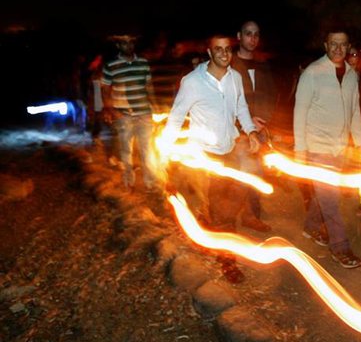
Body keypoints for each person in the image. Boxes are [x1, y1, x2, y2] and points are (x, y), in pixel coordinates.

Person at [162, 34, 260, 284]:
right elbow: (176, 116)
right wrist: (165, 150)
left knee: (233, 200)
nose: (225, 54)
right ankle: (228, 262)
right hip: (206, 155)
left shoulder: (235, 78)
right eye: (219, 49)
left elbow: (241, 108)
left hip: (230, 150)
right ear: (209, 52)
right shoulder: (193, 81)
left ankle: (210, 221)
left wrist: (251, 131)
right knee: (224, 212)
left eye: (228, 49)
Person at [293, 28, 361, 269]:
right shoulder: (313, 73)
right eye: (333, 44)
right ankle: (340, 248)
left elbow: (355, 112)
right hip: (318, 147)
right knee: (331, 199)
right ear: (325, 46)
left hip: (340, 149)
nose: (338, 48)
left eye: (343, 44)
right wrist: (300, 150)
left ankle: (311, 227)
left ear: (348, 47)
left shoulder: (351, 76)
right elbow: (300, 112)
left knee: (324, 193)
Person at [231, 21, 278, 232]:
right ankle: (237, 215)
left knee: (256, 173)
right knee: (241, 174)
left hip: (259, 130)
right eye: (248, 34)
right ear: (239, 36)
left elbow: (271, 95)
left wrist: (264, 121)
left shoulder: (263, 66)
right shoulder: (229, 65)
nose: (252, 38)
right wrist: (248, 120)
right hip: (236, 131)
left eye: (256, 34)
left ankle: (251, 214)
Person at [101, 34, 159, 191]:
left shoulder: (143, 63)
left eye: (131, 43)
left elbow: (148, 87)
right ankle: (129, 182)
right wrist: (111, 110)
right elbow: (105, 89)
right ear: (118, 46)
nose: (129, 46)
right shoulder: (111, 65)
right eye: (125, 43)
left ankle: (150, 182)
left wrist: (155, 107)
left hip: (144, 112)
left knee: (147, 149)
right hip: (123, 114)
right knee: (126, 150)